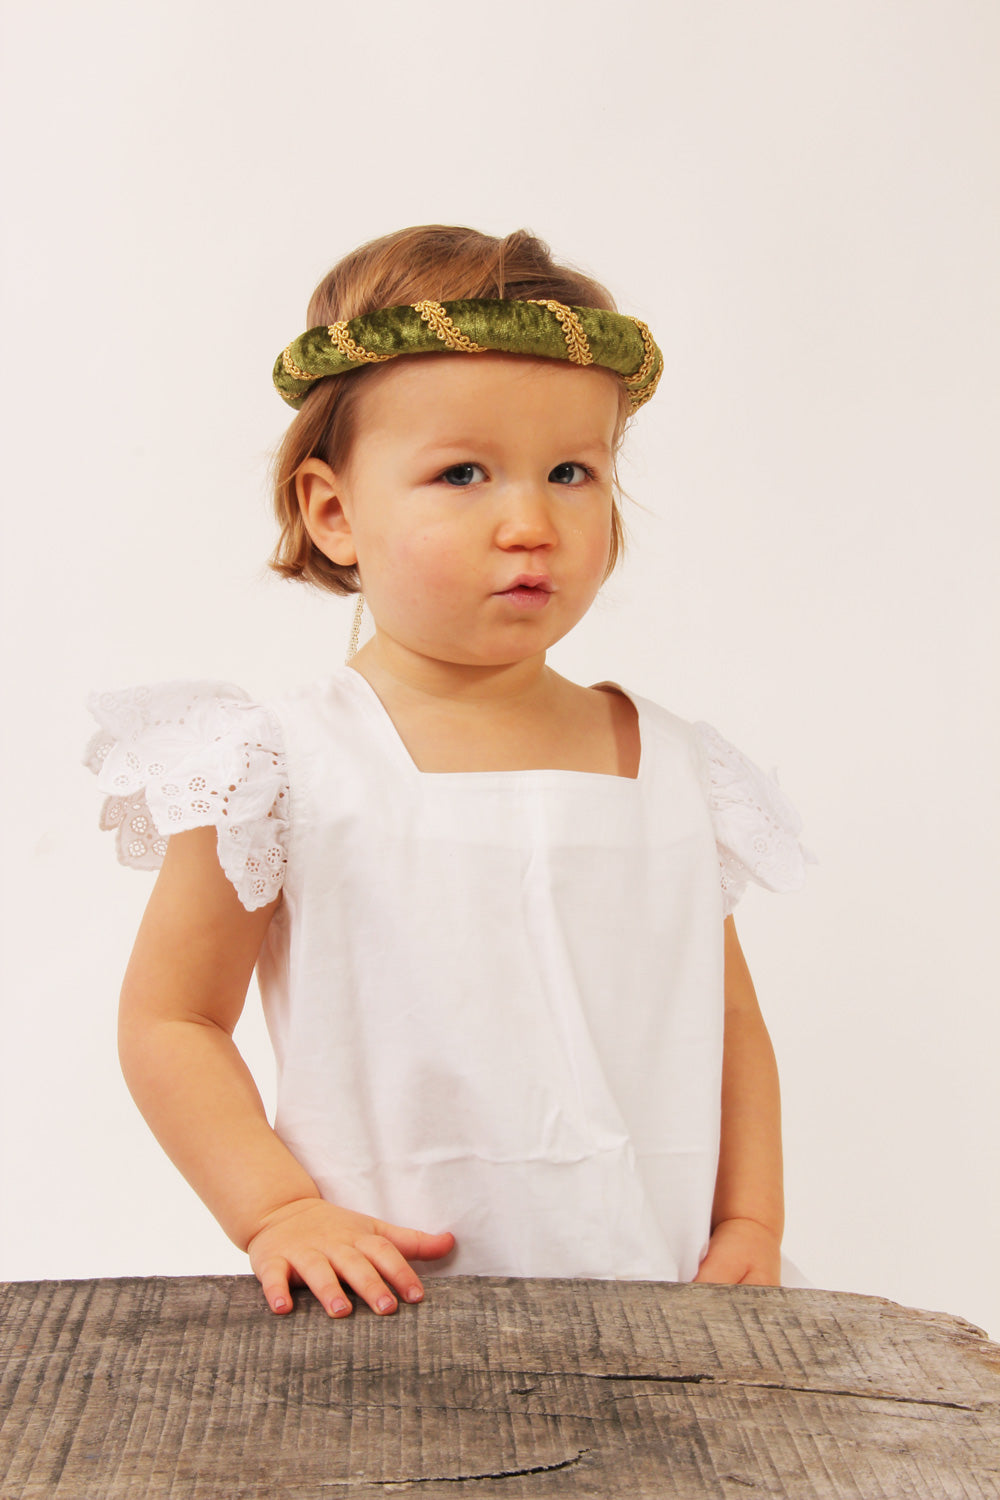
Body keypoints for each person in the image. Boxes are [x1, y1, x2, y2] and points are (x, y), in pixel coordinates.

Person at [84, 224, 816, 1320]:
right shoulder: (278, 764)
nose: (530, 522)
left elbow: (728, 1025)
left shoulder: (669, 768)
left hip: (664, 1310)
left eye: (573, 472)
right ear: (332, 513)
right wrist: (278, 1211)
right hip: (391, 1312)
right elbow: (173, 1020)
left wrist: (751, 1220)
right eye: (461, 473)